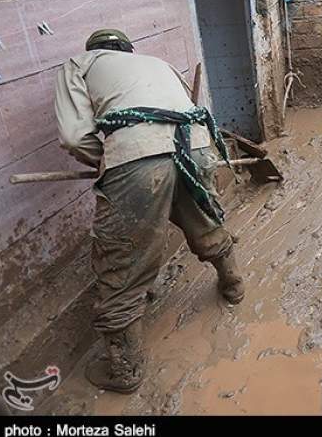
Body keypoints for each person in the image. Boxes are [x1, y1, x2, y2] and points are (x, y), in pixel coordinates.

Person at [54, 29, 244, 393]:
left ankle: (125, 371)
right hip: (198, 146)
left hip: (138, 154)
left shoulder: (78, 65)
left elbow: (75, 137)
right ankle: (233, 284)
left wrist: (108, 160)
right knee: (205, 219)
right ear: (128, 50)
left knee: (120, 261)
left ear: (95, 50)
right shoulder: (158, 63)